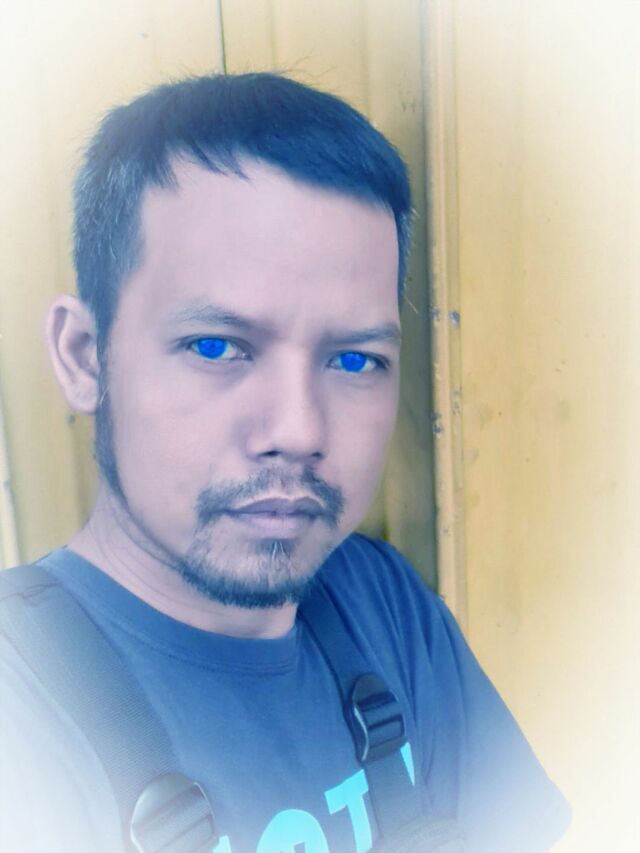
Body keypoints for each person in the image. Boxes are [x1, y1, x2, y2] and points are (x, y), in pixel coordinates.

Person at [0, 73, 570, 853]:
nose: (300, 430)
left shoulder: (382, 603)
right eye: (215, 346)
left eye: (354, 359)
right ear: (83, 355)